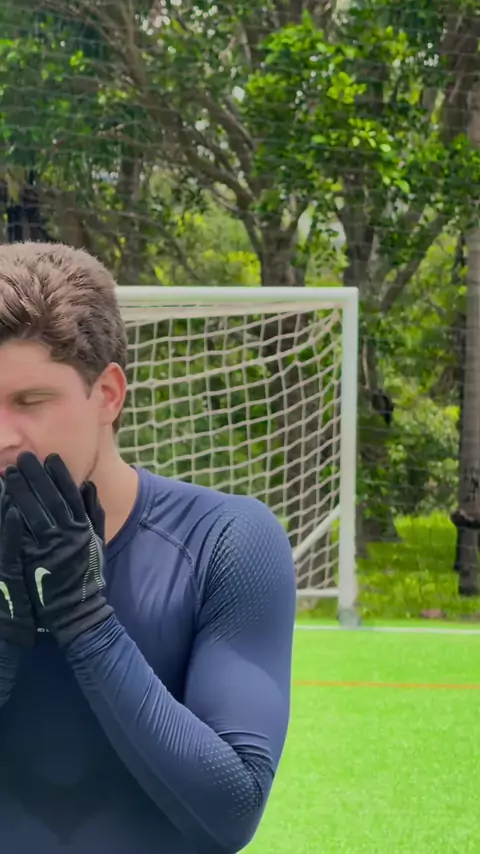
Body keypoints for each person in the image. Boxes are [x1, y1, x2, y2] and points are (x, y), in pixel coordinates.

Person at [0, 242, 296, 854]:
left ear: (108, 394)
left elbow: (229, 814)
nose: (3, 435)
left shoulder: (224, 540)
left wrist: (85, 618)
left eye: (30, 402)